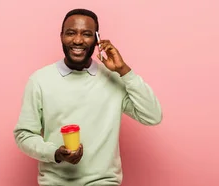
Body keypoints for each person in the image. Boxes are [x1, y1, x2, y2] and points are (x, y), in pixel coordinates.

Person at [13, 8, 163, 186]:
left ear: (97, 39)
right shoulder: (39, 80)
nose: (77, 40)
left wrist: (124, 71)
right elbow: (24, 134)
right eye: (71, 33)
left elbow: (152, 116)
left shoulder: (113, 79)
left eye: (86, 34)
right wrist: (56, 153)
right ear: (61, 36)